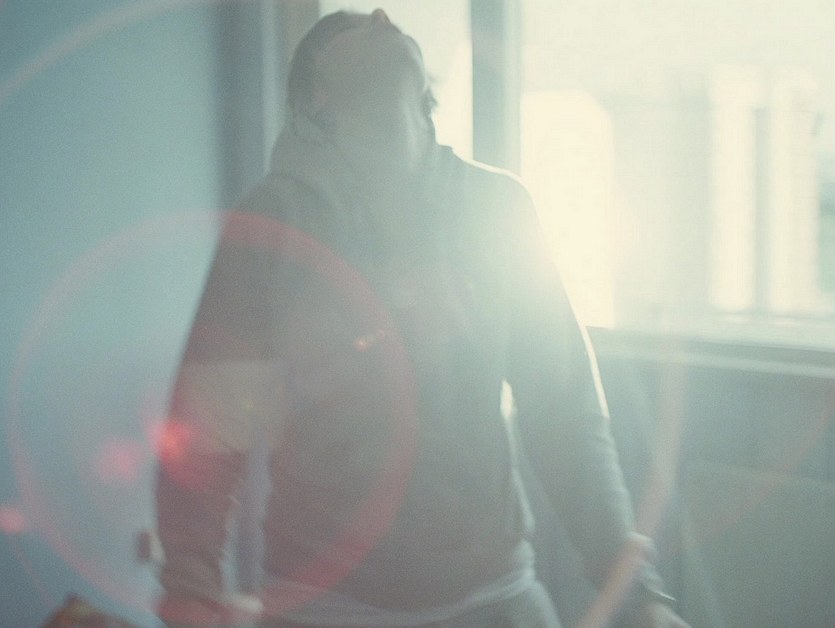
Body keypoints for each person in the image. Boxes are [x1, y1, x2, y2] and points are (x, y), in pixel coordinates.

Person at [154, 9, 690, 628]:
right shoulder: (273, 223)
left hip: (496, 598)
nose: (384, 15)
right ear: (318, 98)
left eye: (384, 17)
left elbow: (565, 414)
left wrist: (638, 596)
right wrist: (191, 588)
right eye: (352, 27)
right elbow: (208, 430)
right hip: (323, 606)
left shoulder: (499, 207)